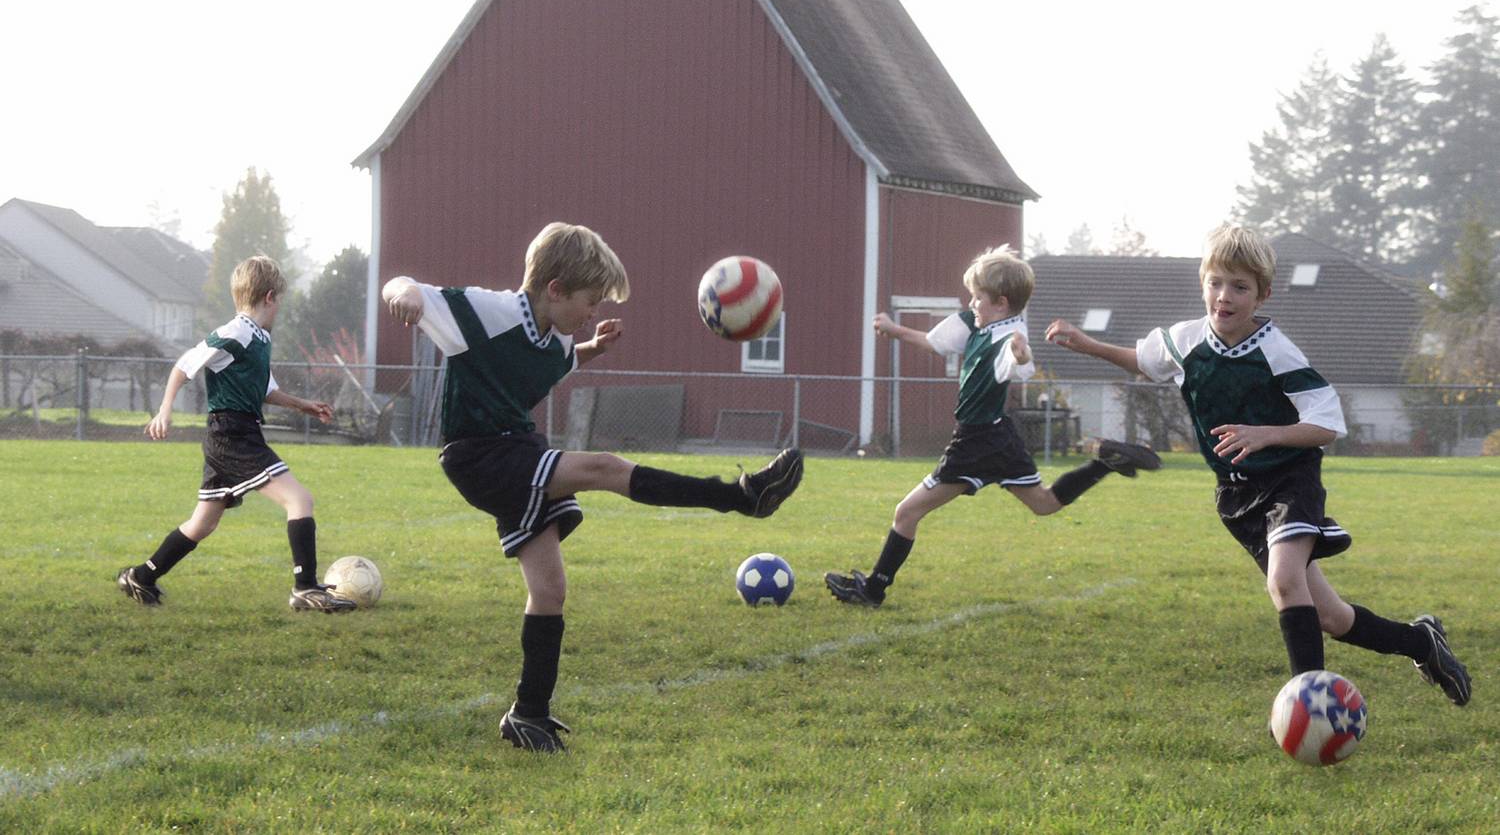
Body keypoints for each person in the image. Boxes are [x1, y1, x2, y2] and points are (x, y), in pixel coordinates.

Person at [381, 222, 804, 752]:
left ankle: (528, 714)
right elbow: (405, 285)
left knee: (550, 590)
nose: (595, 311)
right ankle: (742, 497)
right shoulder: (488, 312)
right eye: (591, 300)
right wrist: (404, 298)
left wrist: (591, 349)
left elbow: (554, 359)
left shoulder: (555, 337)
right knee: (604, 467)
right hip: (480, 457)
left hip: (517, 450)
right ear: (554, 289)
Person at [1044, 224, 1470, 705]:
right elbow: (1145, 362)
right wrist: (1088, 345)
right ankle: (1422, 642)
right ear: (1203, 283)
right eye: (1216, 283)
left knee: (1284, 582)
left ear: (1262, 295)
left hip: (1290, 479)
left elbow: (1327, 423)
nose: (1224, 297)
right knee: (1331, 618)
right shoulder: (1185, 340)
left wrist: (1265, 434)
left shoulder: (1276, 351)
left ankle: (1310, 706)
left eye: (1240, 287)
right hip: (1238, 496)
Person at [824, 246, 1161, 608]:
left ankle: (873, 590)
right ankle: (1103, 463)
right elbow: (935, 343)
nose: (971, 303)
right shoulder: (978, 324)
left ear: (1000, 302)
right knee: (1045, 504)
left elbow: (1017, 361)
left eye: (977, 297)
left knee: (907, 512)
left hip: (975, 441)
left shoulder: (1006, 337)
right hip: (999, 435)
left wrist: (1022, 355)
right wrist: (894, 330)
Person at [117, 255, 355, 613]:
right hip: (232, 435)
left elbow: (265, 389)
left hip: (234, 433)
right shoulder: (237, 331)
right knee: (299, 500)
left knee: (203, 523)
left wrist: (303, 405)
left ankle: (141, 575)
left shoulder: (258, 337)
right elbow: (184, 365)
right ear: (270, 296)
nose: (279, 309)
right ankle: (305, 588)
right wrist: (165, 410)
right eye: (280, 302)